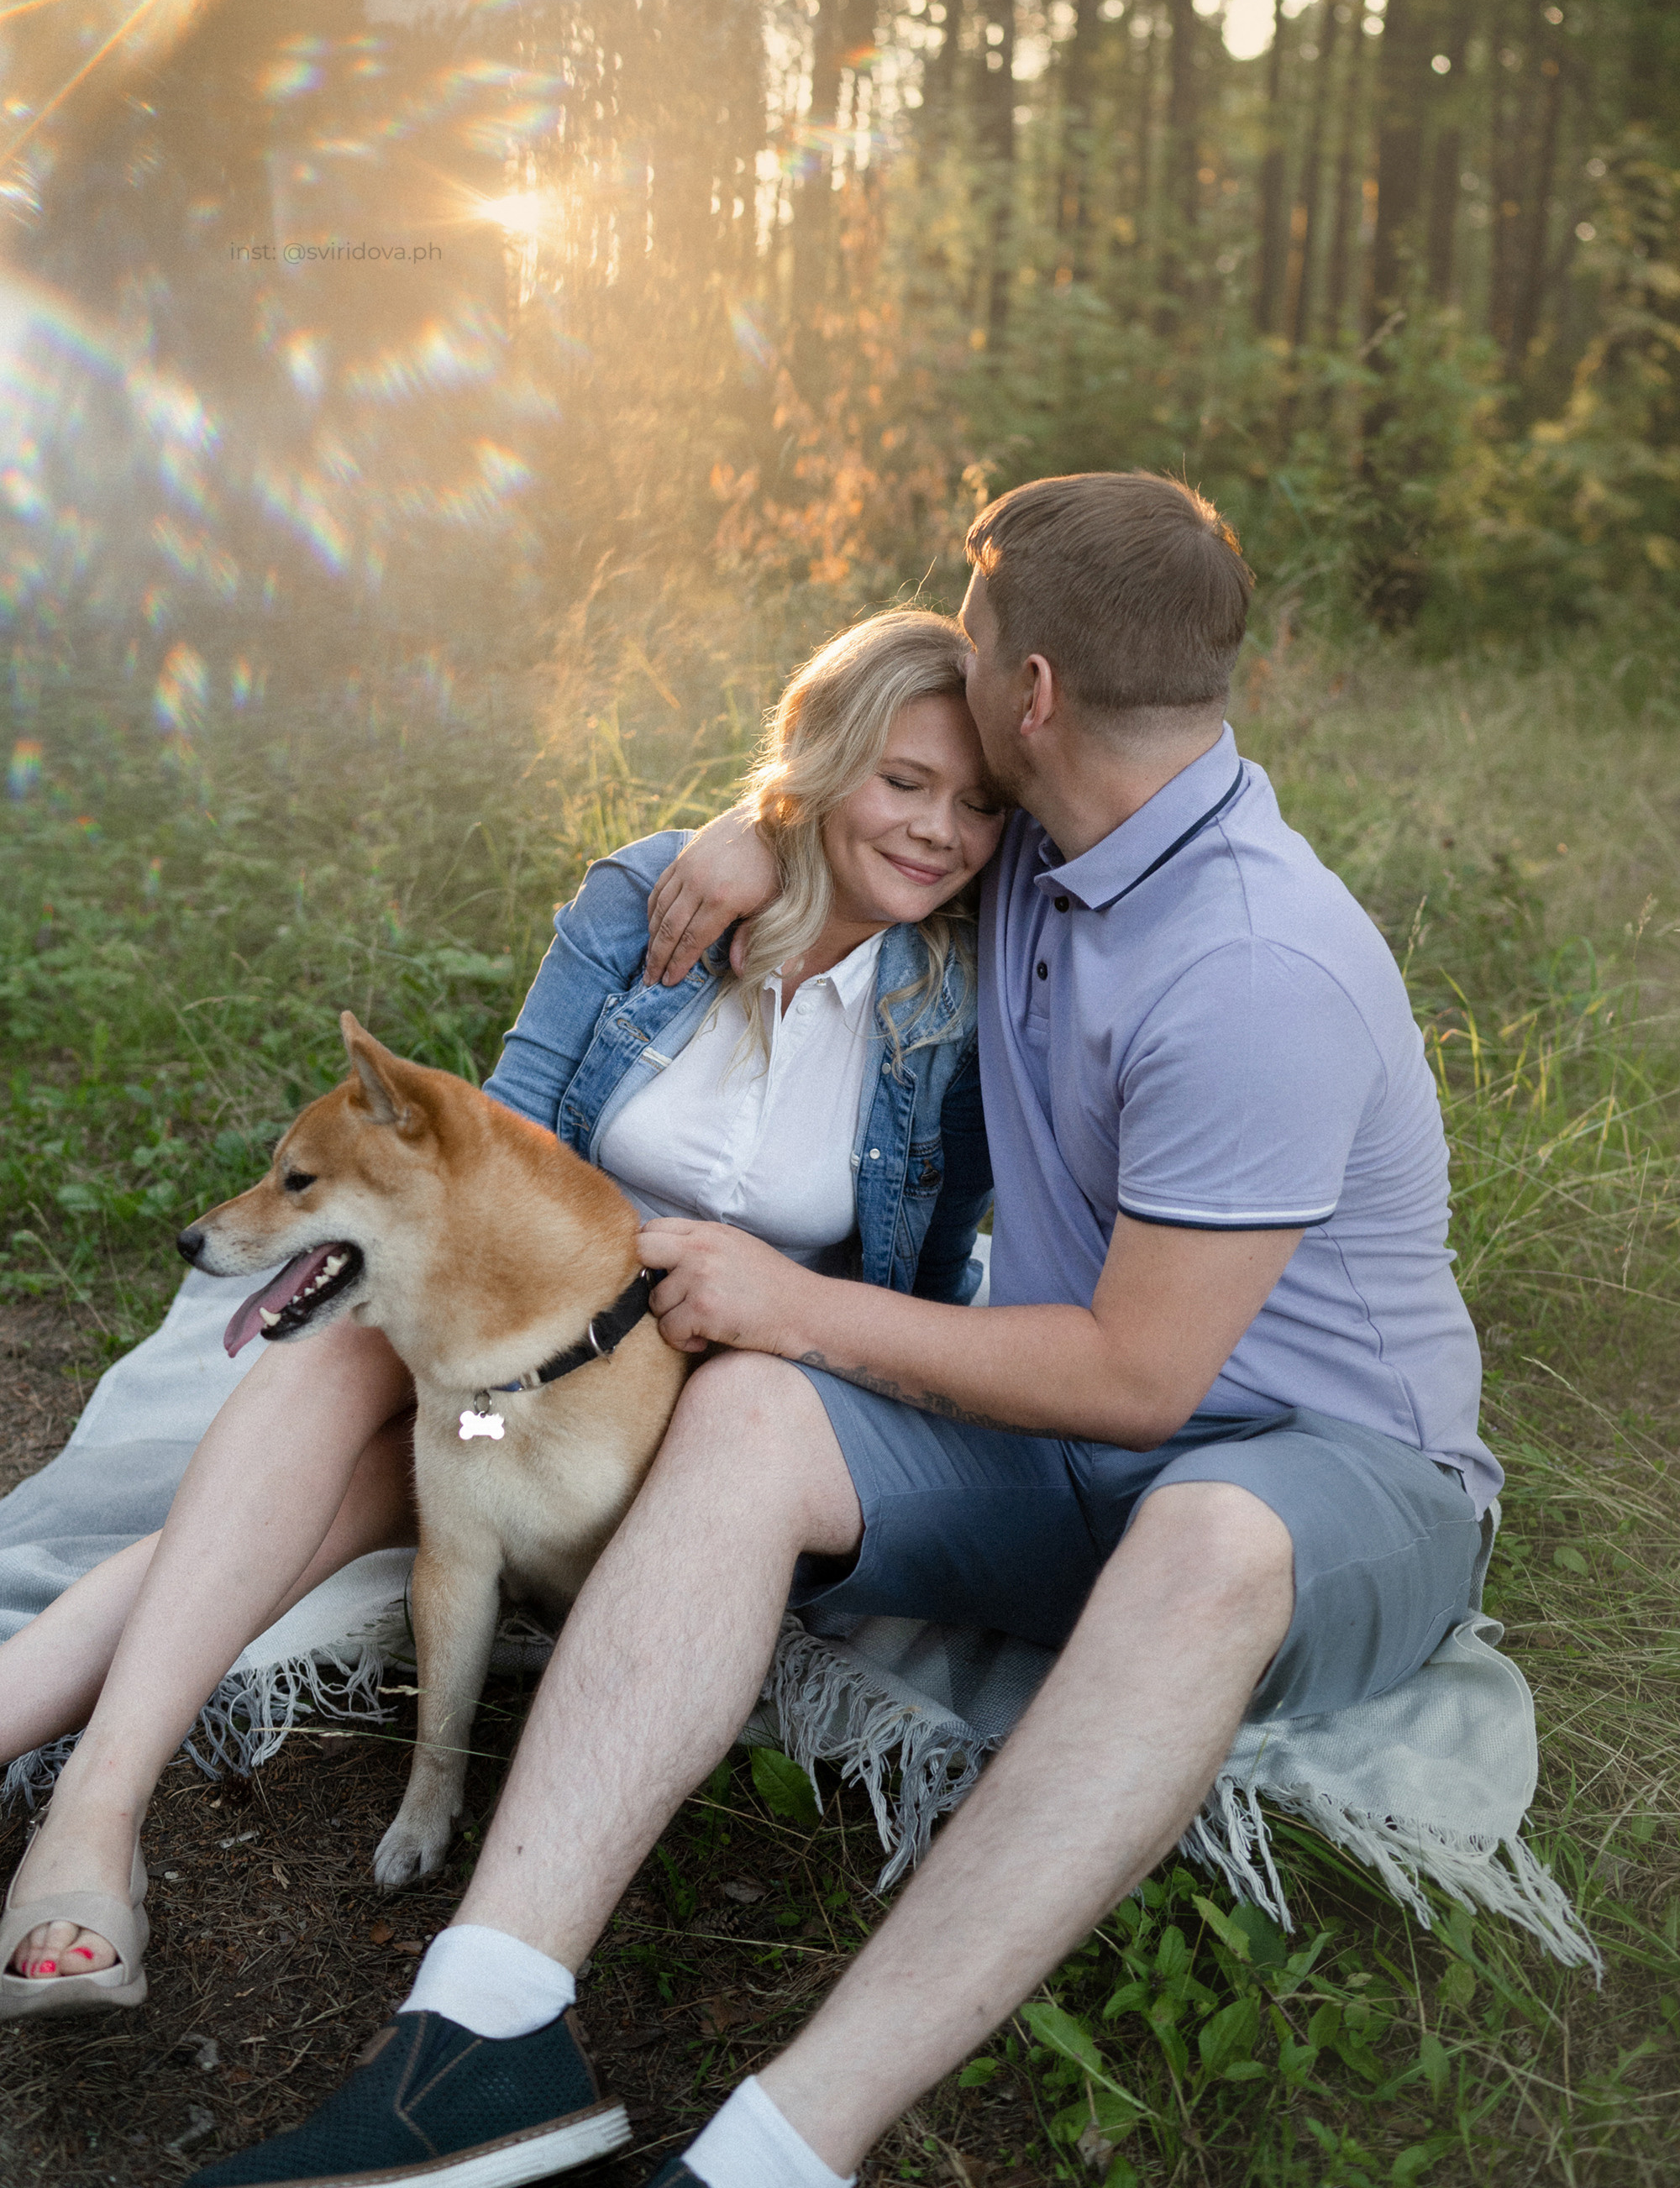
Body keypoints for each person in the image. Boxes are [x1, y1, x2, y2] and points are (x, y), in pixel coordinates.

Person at [181, 469, 1500, 2188]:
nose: (959, 685)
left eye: (977, 645)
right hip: (1068, 1452)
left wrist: (806, 1301)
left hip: (1325, 1479)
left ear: (1030, 695)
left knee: (1198, 1535)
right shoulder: (1053, 840)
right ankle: (484, 2036)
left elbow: (1140, 1380)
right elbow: (875, 797)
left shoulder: (1254, 966)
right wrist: (745, 832)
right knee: (747, 1417)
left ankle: (776, 2154)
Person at [0, 608, 1004, 2016]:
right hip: (504, 1355)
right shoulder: (652, 902)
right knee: (338, 1385)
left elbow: (911, 1281)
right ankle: (89, 1822)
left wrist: (781, 1319)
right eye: (902, 780)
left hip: (714, 1385)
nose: (939, 830)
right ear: (824, 763)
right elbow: (496, 1149)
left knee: (353, 1470)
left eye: (977, 802)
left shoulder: (966, 996)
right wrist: (745, 831)